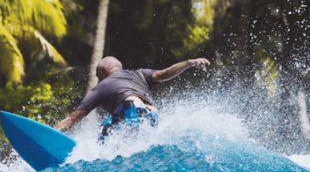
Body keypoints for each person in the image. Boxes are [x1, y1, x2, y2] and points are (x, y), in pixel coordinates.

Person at [55, 56, 210, 138]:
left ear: (102, 72)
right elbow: (164, 73)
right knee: (104, 130)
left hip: (131, 110)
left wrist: (50, 134)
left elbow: (73, 118)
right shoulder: (139, 73)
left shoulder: (100, 88)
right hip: (152, 115)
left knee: (103, 138)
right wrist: (189, 63)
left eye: (98, 76)